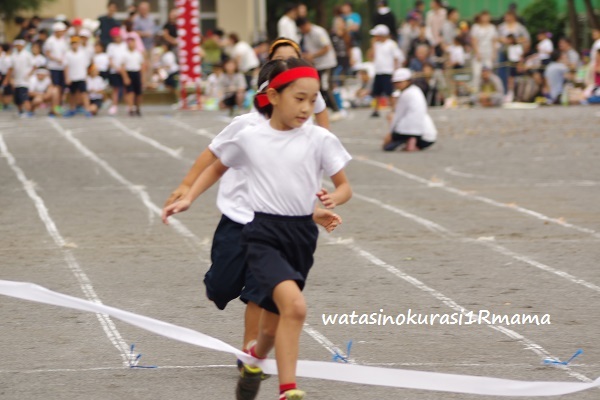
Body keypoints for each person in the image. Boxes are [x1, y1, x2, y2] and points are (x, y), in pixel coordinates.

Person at [162, 57, 352, 400]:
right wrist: (189, 195)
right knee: (292, 306)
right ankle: (288, 389)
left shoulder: (320, 139)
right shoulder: (250, 134)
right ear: (273, 95)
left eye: (313, 100)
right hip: (259, 230)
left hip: (300, 236)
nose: (307, 107)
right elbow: (216, 165)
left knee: (274, 317)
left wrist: (326, 204)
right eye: (299, 98)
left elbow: (342, 187)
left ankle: (253, 358)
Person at [383, 68, 437, 152]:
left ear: (408, 81)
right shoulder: (416, 91)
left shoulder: (406, 94)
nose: (397, 85)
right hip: (427, 135)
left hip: (413, 132)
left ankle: (410, 141)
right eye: (396, 83)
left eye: (400, 82)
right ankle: (411, 142)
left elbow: (398, 115)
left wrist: (391, 132)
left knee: (387, 146)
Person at [296, 18, 341, 117]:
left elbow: (326, 48)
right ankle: (327, 108)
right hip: (317, 65)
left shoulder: (319, 32)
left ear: (306, 25)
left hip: (327, 63)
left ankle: (336, 109)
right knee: (319, 87)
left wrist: (313, 55)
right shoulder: (306, 35)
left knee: (325, 86)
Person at [368, 24, 405, 118]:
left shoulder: (391, 44)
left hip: (388, 71)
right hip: (378, 71)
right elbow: (371, 56)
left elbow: (396, 57)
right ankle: (376, 109)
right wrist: (372, 46)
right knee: (377, 92)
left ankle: (394, 108)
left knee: (390, 92)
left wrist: (395, 71)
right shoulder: (376, 45)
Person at [63, 36, 92, 118]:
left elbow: (86, 66)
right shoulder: (68, 54)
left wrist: (86, 76)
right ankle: (72, 109)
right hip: (72, 77)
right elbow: (66, 66)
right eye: (73, 43)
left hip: (81, 76)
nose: (74, 45)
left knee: (84, 93)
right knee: (72, 94)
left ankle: (87, 110)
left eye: (76, 43)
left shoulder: (83, 53)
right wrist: (67, 77)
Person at [5, 40, 35, 117]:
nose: (19, 47)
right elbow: (11, 68)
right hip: (16, 79)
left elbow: (34, 65)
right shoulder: (13, 55)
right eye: (17, 45)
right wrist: (10, 79)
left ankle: (29, 111)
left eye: (20, 45)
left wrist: (29, 74)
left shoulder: (27, 55)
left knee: (24, 96)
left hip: (25, 80)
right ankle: (20, 111)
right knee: (17, 98)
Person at [470, 11, 498, 90]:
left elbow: (494, 41)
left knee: (489, 73)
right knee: (477, 73)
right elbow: (474, 41)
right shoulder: (476, 27)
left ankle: (489, 90)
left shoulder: (492, 27)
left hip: (488, 53)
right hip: (479, 53)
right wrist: (477, 52)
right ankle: (476, 91)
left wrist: (494, 53)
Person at [44, 22, 69, 102]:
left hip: (62, 67)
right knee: (56, 87)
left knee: (62, 87)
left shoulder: (64, 40)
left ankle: (59, 104)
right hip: (53, 67)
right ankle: (55, 104)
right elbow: (47, 53)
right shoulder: (50, 41)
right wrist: (56, 59)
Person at [121, 36, 145, 116]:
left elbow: (142, 66)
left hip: (136, 73)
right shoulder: (124, 54)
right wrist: (125, 77)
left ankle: (138, 107)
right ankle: (130, 108)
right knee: (130, 92)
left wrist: (142, 77)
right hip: (129, 73)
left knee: (138, 93)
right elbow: (123, 67)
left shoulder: (138, 54)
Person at [107, 27, 127, 115]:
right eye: (114, 37)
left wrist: (123, 68)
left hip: (125, 70)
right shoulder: (111, 46)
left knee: (126, 89)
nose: (116, 38)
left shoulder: (125, 45)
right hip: (114, 70)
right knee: (116, 89)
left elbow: (126, 58)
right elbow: (110, 60)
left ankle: (128, 105)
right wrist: (116, 68)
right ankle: (114, 105)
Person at [0, 44, 14, 110]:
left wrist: (6, 79)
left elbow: (10, 69)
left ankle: (7, 104)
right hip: (1, 74)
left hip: (5, 75)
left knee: (7, 91)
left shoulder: (6, 57)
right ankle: (3, 104)